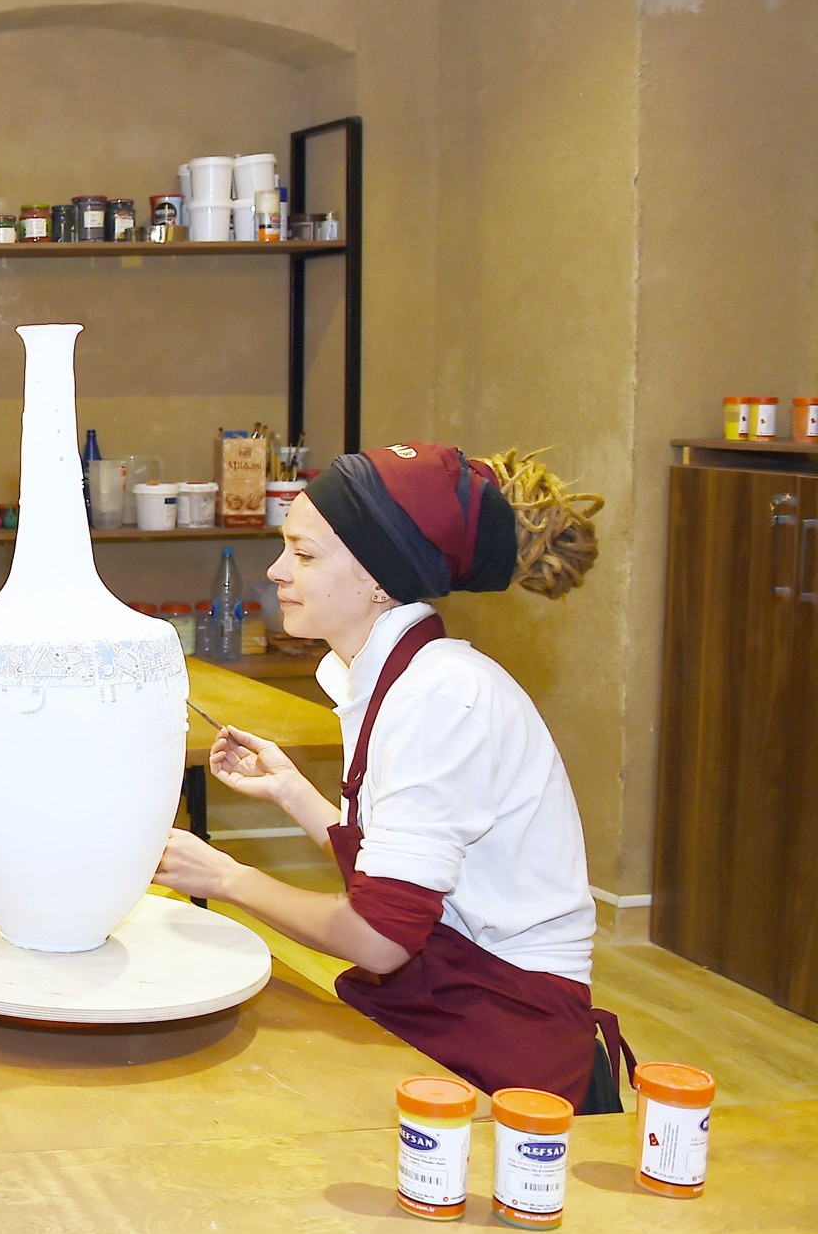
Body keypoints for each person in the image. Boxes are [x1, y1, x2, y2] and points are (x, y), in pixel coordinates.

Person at [153, 443, 625, 1110]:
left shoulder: (437, 697)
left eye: (304, 554)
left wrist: (226, 878)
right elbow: (400, 877)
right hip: (448, 1008)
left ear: (378, 578)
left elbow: (379, 939)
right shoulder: (398, 677)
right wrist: (293, 791)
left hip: (504, 1054)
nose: (277, 570)